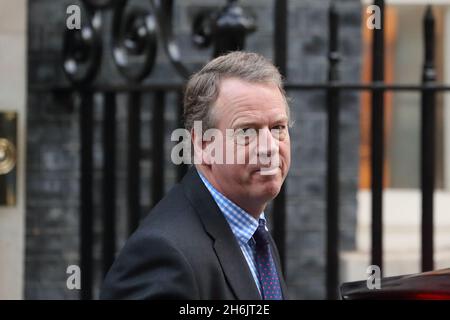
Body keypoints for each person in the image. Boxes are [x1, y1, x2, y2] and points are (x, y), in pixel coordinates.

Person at [100, 51, 291, 300]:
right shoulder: (163, 254)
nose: (269, 147)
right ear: (203, 145)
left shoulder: (254, 233)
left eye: (278, 127)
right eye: (247, 131)